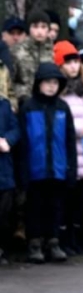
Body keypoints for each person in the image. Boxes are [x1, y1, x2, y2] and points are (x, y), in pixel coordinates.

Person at [18, 63, 77, 264]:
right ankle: (34, 243)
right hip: (35, 168)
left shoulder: (63, 107)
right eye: (47, 82)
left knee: (55, 206)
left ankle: (53, 242)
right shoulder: (28, 107)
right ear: (38, 84)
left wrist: (71, 169)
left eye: (55, 83)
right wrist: (23, 171)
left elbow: (70, 141)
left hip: (58, 168)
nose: (51, 86)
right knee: (34, 207)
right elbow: (23, 142)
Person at [54, 40, 83, 255]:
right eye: (68, 62)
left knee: (81, 201)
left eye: (75, 62)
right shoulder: (59, 95)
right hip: (68, 155)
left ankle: (79, 240)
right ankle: (64, 240)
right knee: (66, 201)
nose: (73, 66)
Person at [11, 9, 54, 104]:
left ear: (48, 29)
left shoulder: (52, 51)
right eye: (35, 26)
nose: (39, 31)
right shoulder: (17, 51)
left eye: (43, 27)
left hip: (48, 101)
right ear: (29, 28)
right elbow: (10, 81)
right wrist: (23, 94)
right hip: (24, 101)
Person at [0, 91, 19, 265]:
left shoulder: (4, 104)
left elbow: (15, 128)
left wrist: (8, 140)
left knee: (4, 212)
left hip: (3, 170)